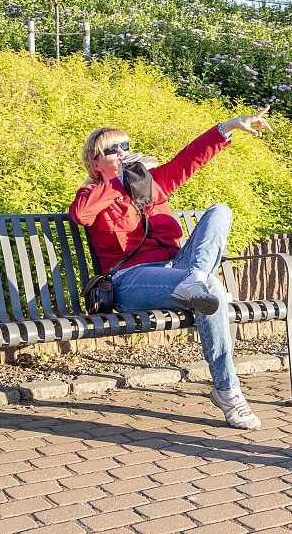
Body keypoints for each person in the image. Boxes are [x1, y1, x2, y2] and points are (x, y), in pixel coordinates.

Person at [69, 107, 272, 430]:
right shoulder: (93, 193)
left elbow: (189, 159)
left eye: (126, 146)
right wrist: (119, 181)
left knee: (220, 210)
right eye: (113, 149)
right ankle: (228, 392)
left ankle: (196, 278)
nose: (123, 152)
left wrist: (227, 127)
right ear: (95, 164)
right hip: (130, 279)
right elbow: (81, 214)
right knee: (214, 290)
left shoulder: (153, 185)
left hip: (176, 268)